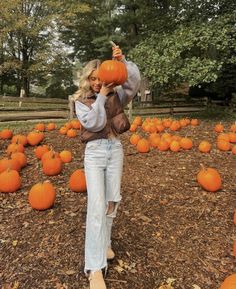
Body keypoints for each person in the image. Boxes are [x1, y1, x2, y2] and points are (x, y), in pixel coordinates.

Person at [74, 44, 141, 289]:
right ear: (87, 80)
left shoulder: (118, 94)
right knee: (96, 205)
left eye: (100, 78)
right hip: (95, 154)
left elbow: (133, 84)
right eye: (92, 79)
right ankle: (94, 267)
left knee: (113, 200)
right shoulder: (81, 102)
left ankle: (105, 243)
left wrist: (122, 61)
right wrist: (102, 95)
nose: (96, 82)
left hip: (115, 150)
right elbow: (95, 123)